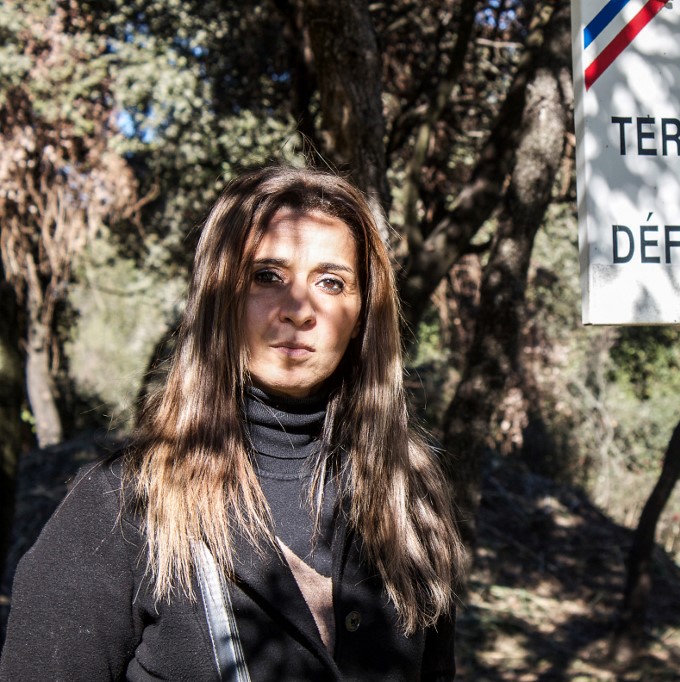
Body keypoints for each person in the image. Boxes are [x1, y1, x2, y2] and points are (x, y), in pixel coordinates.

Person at [0, 166, 463, 681]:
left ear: (361, 317)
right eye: (268, 276)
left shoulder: (411, 501)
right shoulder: (117, 510)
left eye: (331, 282)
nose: (299, 309)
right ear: (222, 296)